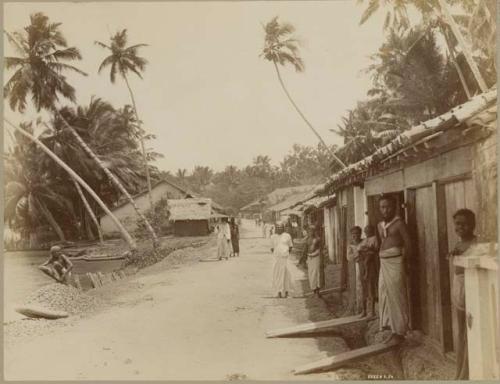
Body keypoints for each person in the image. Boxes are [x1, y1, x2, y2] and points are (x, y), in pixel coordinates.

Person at [377, 195, 411, 344]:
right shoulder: (380, 225)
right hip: (384, 264)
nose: (385, 210)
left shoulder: (399, 224)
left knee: (397, 296)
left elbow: (409, 244)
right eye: (382, 207)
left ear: (394, 207)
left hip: (395, 263)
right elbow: (383, 242)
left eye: (388, 206)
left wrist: (405, 262)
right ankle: (393, 329)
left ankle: (400, 332)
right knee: (385, 294)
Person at [449, 209, 477, 380]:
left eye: (464, 224)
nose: (460, 227)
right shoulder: (458, 244)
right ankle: (459, 371)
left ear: (472, 225)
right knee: (460, 332)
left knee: (470, 331)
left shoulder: (476, 243)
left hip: (470, 289)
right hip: (458, 289)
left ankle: (466, 373)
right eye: (457, 224)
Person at [358, 225, 379, 318]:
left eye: (368, 230)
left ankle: (372, 311)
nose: (367, 233)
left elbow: (375, 249)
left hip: (371, 266)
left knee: (371, 289)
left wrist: (367, 250)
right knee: (364, 289)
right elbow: (359, 249)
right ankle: (364, 311)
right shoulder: (364, 240)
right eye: (366, 231)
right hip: (363, 265)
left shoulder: (374, 239)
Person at [271, 222, 293, 298]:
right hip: (277, 259)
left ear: (283, 228)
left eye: (280, 227)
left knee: (287, 275)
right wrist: (278, 254)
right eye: (277, 227)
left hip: (285, 259)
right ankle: (279, 291)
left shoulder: (287, 236)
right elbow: (272, 248)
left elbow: (290, 247)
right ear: (275, 228)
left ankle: (287, 292)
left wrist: (285, 253)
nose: (279, 229)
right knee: (277, 275)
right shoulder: (273, 237)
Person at [347, 226, 363, 315]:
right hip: (354, 267)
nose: (355, 236)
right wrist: (358, 255)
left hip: (363, 266)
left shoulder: (363, 242)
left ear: (360, 234)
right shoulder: (350, 245)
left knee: (363, 285)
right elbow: (349, 257)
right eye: (353, 234)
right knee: (355, 285)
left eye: (357, 234)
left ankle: (363, 307)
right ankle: (356, 307)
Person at [305, 227, 321, 297]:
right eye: (309, 231)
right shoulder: (307, 239)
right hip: (309, 258)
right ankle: (313, 290)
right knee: (311, 273)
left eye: (312, 231)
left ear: (314, 231)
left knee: (316, 273)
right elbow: (305, 250)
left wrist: (314, 254)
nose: (311, 232)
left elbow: (320, 249)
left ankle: (317, 290)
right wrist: (305, 259)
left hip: (316, 257)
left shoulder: (317, 239)